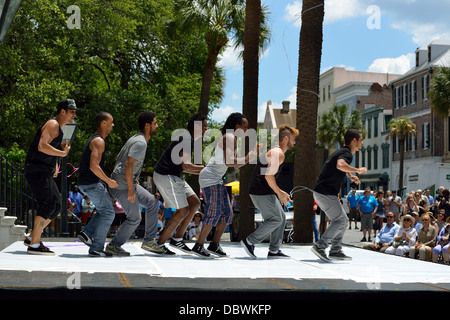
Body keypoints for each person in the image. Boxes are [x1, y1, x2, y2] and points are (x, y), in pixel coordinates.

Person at [192, 113, 259, 258]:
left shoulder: (232, 139)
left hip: (215, 179)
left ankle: (214, 245)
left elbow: (235, 164)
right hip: (210, 178)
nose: (247, 130)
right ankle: (198, 245)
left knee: (227, 213)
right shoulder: (229, 137)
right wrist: (250, 156)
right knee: (214, 212)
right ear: (237, 127)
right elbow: (231, 162)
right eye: (245, 127)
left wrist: (250, 157)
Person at [23, 99, 77, 255]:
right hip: (36, 170)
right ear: (62, 112)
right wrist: (63, 153)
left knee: (56, 206)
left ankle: (33, 236)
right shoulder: (53, 124)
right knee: (47, 204)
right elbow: (42, 145)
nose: (74, 115)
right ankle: (34, 245)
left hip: (43, 170)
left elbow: (48, 148)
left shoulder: (59, 128)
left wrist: (55, 164)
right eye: (71, 111)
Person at [105, 112, 161, 256]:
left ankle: (149, 241)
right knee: (135, 218)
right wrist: (131, 189)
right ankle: (114, 245)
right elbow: (128, 165)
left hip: (126, 182)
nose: (157, 126)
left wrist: (133, 177)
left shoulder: (136, 138)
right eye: (155, 123)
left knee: (152, 202)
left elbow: (119, 157)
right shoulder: (140, 142)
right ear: (147, 125)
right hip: (122, 186)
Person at [240, 125, 299, 259]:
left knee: (281, 218)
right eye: (293, 139)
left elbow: (265, 175)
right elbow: (268, 176)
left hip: (261, 191)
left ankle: (274, 251)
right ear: (286, 138)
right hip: (261, 192)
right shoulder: (278, 153)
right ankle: (249, 241)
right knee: (276, 218)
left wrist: (281, 191)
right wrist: (280, 194)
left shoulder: (273, 151)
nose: (294, 142)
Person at [151, 113, 207, 254]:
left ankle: (177, 239)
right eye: (205, 126)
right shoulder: (186, 138)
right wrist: (207, 168)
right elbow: (186, 166)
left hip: (174, 175)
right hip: (165, 175)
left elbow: (186, 168)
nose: (207, 129)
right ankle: (159, 243)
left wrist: (205, 170)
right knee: (183, 210)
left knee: (194, 202)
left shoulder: (190, 139)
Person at [311, 129, 366, 262]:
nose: (362, 142)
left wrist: (351, 175)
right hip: (325, 193)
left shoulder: (342, 152)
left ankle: (335, 250)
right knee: (341, 221)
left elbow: (339, 166)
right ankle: (320, 246)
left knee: (342, 220)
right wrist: (357, 170)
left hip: (323, 192)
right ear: (354, 141)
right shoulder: (346, 153)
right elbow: (340, 165)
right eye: (360, 140)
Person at [76, 112, 118, 256]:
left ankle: (86, 233)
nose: (113, 125)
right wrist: (109, 181)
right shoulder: (99, 141)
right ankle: (97, 248)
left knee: (103, 211)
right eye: (111, 122)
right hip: (92, 184)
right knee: (108, 213)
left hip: (87, 183)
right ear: (103, 123)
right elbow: (94, 166)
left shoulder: (94, 139)